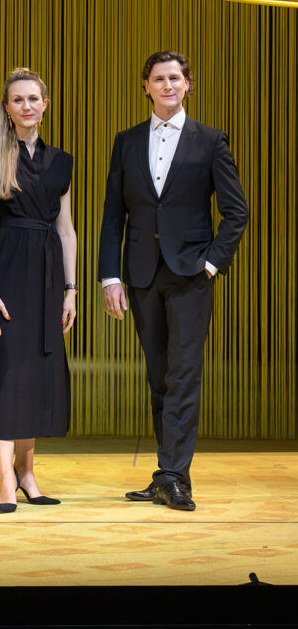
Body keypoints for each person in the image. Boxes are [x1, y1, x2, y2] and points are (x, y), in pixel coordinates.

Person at [99, 50, 248, 511]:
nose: (167, 85)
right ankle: (167, 472)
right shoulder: (126, 141)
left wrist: (211, 264)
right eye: (159, 79)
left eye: (175, 78)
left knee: (183, 375)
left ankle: (175, 474)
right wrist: (110, 277)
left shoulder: (210, 141)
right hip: (142, 273)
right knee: (159, 376)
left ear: (188, 85)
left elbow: (236, 212)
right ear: (146, 85)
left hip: (190, 275)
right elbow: (112, 218)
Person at [0, 68, 77, 514]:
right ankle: (4, 481)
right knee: (8, 371)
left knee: (36, 374)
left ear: (45, 104)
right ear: (7, 108)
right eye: (18, 100)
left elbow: (67, 229)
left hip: (50, 275)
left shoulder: (62, 162)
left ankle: (28, 474)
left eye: (34, 98)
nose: (27, 106)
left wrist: (71, 290)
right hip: (9, 269)